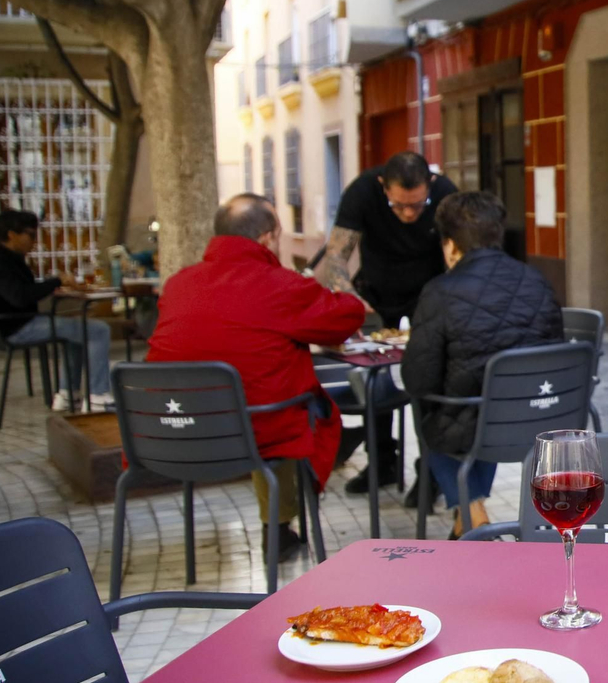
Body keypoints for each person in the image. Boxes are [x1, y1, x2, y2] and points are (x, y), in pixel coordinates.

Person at [148, 194, 366, 560]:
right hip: (255, 435)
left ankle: (278, 528)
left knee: (258, 391)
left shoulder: (178, 284)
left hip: (166, 434)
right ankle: (279, 528)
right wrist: (341, 287)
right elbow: (345, 316)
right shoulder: (279, 285)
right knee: (282, 405)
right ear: (267, 238)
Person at [401, 191, 563, 539]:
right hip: (544, 419)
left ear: (450, 245)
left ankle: (472, 518)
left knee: (431, 407)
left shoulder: (440, 291)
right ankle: (470, 517)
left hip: (477, 426)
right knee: (487, 402)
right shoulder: (538, 280)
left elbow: (417, 380)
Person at [315, 151, 458, 497]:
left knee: (430, 381)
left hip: (430, 296)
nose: (409, 214)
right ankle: (382, 463)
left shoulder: (445, 194)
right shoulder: (363, 190)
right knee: (374, 381)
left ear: (431, 185)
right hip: (376, 296)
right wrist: (349, 298)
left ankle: (432, 472)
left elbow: (458, 254)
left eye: (417, 204)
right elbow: (336, 255)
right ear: (383, 187)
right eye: (399, 206)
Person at [0, 208, 112, 411]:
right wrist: (56, 281)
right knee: (97, 330)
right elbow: (19, 296)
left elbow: (20, 291)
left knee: (79, 329)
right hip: (15, 326)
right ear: (12, 234)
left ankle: (68, 394)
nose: (34, 241)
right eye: (31, 235)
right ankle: (97, 395)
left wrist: (52, 286)